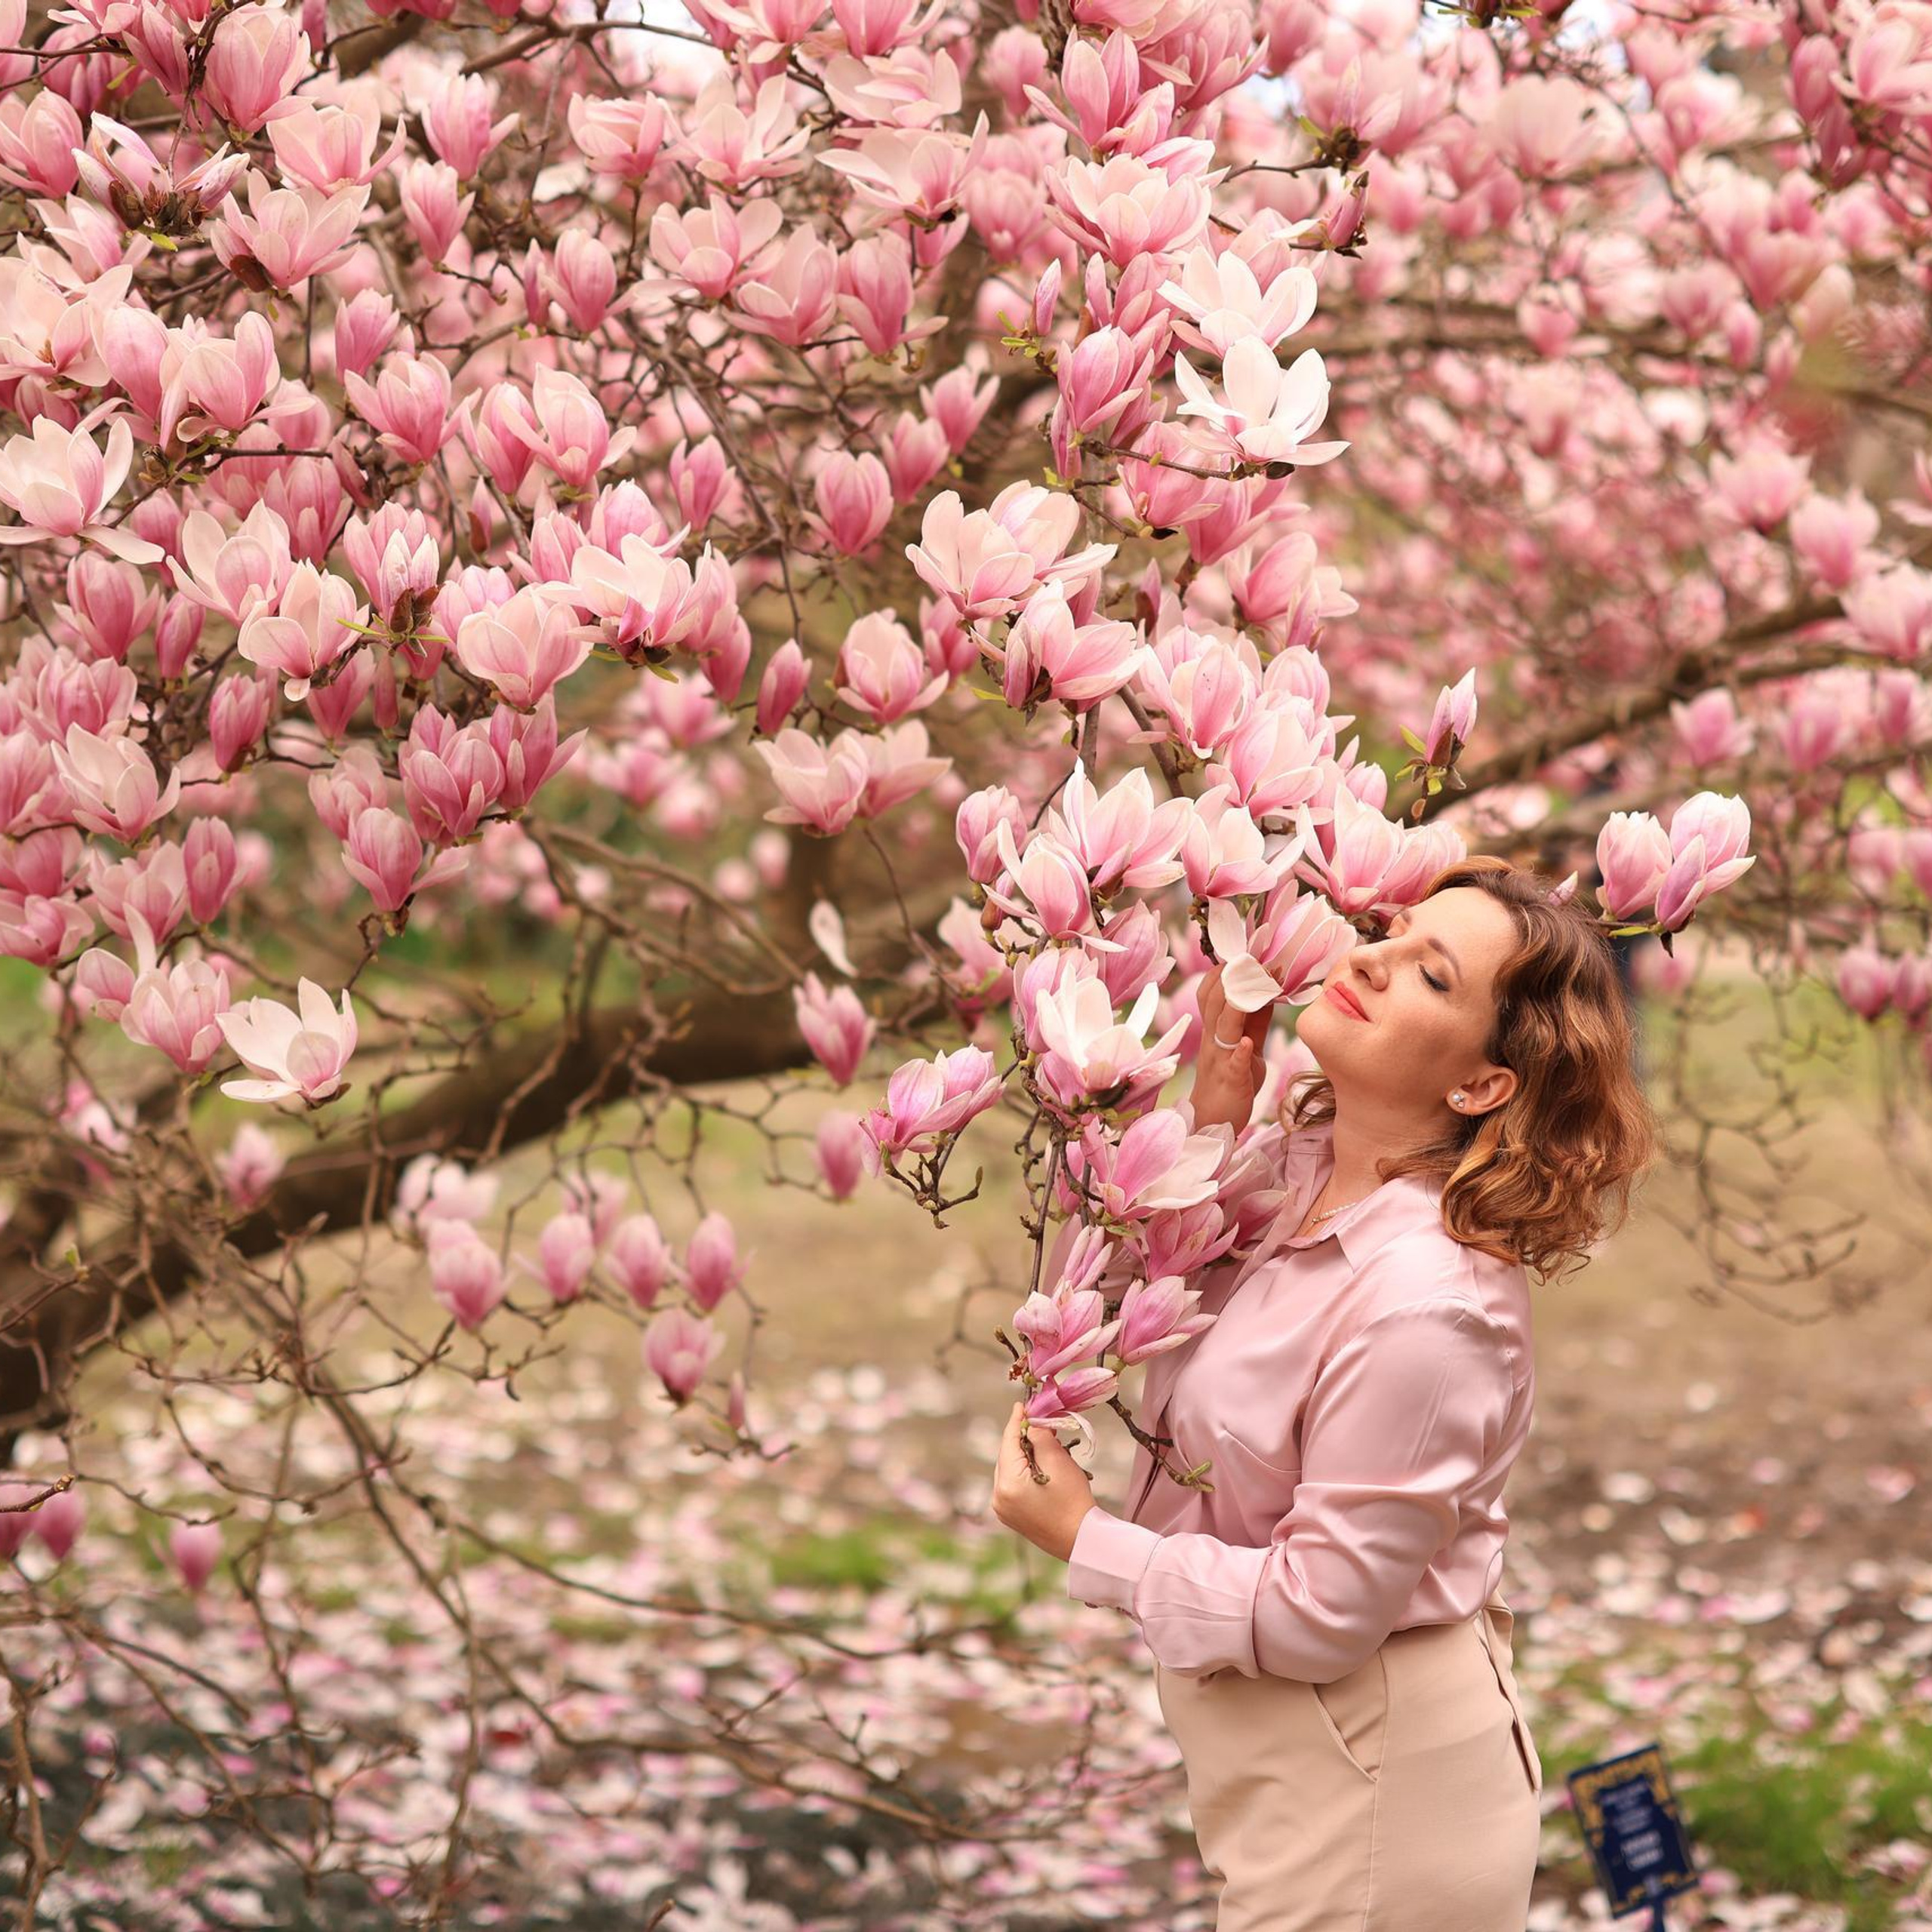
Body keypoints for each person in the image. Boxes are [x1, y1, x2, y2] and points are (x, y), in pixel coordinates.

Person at [989, 854, 1662, 1932]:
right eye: (1392, 933)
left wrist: (1086, 1540)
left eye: (1432, 975)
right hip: (1283, 1770)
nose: (1372, 959)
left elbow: (1321, 1613)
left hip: (1375, 1799)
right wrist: (1212, 1111)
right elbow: (1097, 1306)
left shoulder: (1428, 1310)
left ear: (1482, 1085)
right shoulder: (1294, 1174)